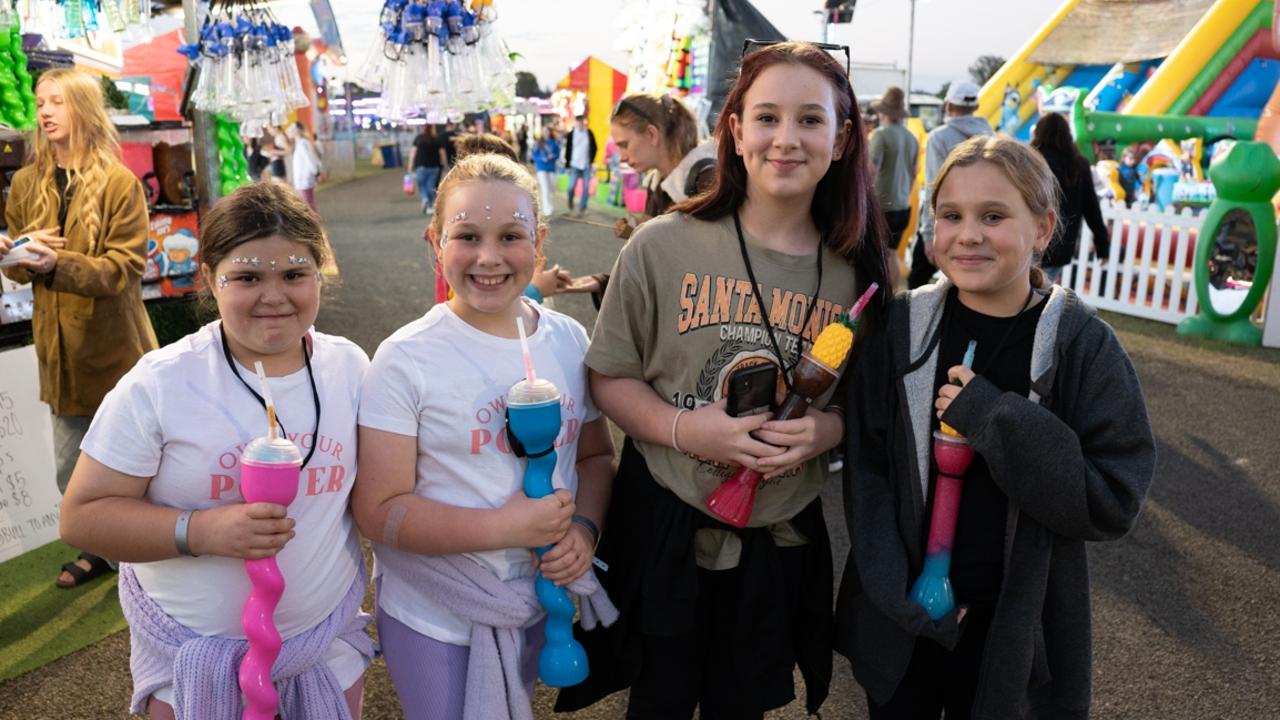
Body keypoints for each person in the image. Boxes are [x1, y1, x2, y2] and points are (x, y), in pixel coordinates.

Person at [556, 41, 892, 719]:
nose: (786, 140)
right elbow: (609, 376)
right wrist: (684, 427)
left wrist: (824, 428)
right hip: (665, 523)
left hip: (779, 542)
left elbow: (868, 403)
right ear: (735, 130)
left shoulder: (862, 273)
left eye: (810, 120)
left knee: (745, 706)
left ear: (843, 136)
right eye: (766, 117)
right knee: (660, 699)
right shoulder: (660, 245)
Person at [836, 135, 1155, 720]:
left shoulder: (1082, 346)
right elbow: (868, 472)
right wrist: (896, 595)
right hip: (907, 619)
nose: (968, 234)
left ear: (1043, 228)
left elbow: (1112, 497)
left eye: (994, 216)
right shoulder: (901, 328)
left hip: (1014, 631)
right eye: (951, 216)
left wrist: (993, 416)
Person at [58, 181, 376, 719]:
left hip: (323, 653)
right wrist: (200, 532)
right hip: (192, 671)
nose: (273, 296)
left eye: (294, 275)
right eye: (248, 276)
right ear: (209, 278)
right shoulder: (160, 384)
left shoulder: (348, 369)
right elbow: (81, 517)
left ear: (319, 273)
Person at [354, 151, 617, 720]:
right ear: (435, 241)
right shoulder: (405, 359)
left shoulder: (569, 340)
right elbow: (379, 510)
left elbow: (595, 456)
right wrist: (504, 526)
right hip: (436, 608)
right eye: (467, 235)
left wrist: (584, 531)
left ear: (539, 241)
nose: (489, 257)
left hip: (532, 601)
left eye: (511, 236)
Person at [0, 68, 158, 589]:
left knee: (134, 459)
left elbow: (122, 269)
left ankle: (135, 550)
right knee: (73, 469)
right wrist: (14, 254)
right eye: (40, 102)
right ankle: (107, 549)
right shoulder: (26, 182)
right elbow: (20, 269)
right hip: (58, 351)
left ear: (84, 110)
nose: (44, 112)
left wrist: (52, 265)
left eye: (58, 103)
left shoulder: (118, 183)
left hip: (114, 348)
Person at [560, 92, 717, 306]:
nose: (622, 156)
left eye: (624, 144)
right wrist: (603, 282)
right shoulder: (658, 185)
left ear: (652, 134)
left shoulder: (706, 179)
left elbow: (707, 269)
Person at [908, 80, 993, 289]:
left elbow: (934, 187)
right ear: (976, 107)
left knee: (917, 281)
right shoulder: (992, 137)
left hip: (949, 217)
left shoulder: (939, 137)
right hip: (982, 220)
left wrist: (928, 234)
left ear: (948, 106)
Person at [1031, 112, 1110, 284]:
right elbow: (1091, 207)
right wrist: (1102, 244)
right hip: (1061, 243)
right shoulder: (1078, 165)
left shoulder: (1031, 161)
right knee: (1042, 293)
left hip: (1029, 238)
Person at [869, 86, 919, 284]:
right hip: (902, 207)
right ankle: (891, 301)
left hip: (881, 206)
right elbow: (914, 174)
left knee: (872, 256)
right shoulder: (911, 138)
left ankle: (874, 303)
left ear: (884, 112)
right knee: (891, 255)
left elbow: (871, 171)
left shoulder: (880, 135)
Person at [562, 114, 597, 217]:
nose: (581, 124)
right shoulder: (571, 134)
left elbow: (595, 147)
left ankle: (582, 207)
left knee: (586, 188)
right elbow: (567, 150)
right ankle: (570, 203)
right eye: (579, 122)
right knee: (570, 187)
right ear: (576, 123)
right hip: (574, 165)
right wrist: (567, 164)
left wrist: (591, 160)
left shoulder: (589, 133)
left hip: (586, 165)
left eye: (582, 122)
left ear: (584, 122)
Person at [408, 125, 447, 215]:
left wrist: (410, 166)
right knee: (431, 186)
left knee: (422, 185)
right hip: (434, 167)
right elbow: (442, 154)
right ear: (432, 129)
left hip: (421, 167)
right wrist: (445, 166)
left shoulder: (418, 139)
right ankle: (429, 206)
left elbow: (413, 153)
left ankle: (425, 198)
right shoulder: (437, 140)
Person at [288, 121, 322, 210]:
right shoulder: (300, 143)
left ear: (297, 131)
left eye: (292, 129)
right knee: (307, 204)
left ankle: (314, 223)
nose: (289, 131)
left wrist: (316, 173)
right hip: (303, 180)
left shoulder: (303, 143)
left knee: (308, 205)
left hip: (305, 180)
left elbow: (310, 159)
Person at [531, 126, 559, 218]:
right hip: (541, 167)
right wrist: (541, 158)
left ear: (550, 132)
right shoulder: (538, 143)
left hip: (551, 167)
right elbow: (534, 154)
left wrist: (552, 157)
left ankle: (550, 205)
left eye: (547, 131)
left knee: (552, 187)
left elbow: (557, 154)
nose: (546, 133)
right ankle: (546, 209)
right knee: (545, 187)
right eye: (544, 131)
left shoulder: (554, 142)